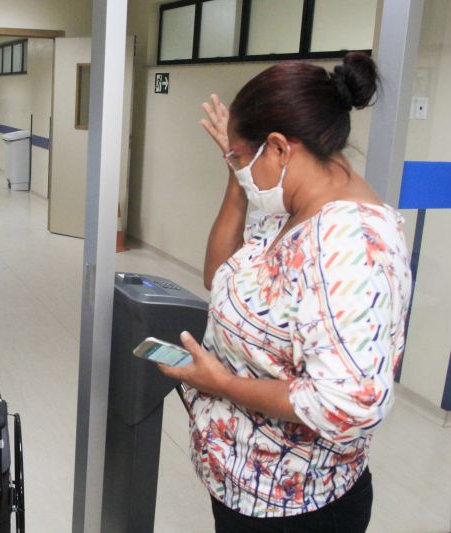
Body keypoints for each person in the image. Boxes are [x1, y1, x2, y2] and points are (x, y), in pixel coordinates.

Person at [157, 52, 412, 532]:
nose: (238, 167)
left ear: (278, 148)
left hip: (299, 512)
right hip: (246, 490)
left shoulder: (350, 243)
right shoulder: (292, 205)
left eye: (241, 156)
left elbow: (352, 401)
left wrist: (222, 383)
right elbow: (220, 272)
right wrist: (238, 175)